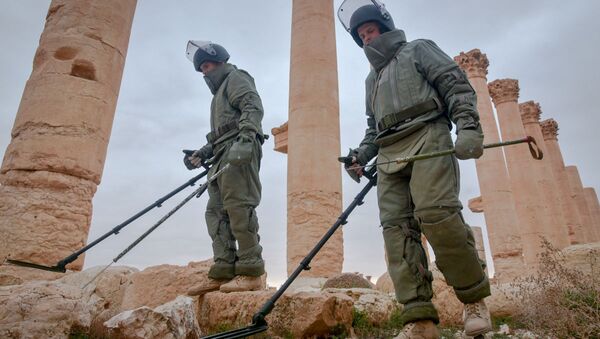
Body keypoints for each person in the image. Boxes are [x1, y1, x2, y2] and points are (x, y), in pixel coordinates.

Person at [337, 1, 492, 338]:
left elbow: (455, 85)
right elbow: (372, 127)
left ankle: (474, 301)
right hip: (390, 154)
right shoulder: (371, 79)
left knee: (438, 214)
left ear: (385, 27)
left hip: (428, 136)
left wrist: (467, 128)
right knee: (397, 230)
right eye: (361, 35)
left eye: (370, 31)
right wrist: (361, 155)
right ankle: (419, 319)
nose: (366, 39)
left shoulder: (419, 50)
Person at [183, 41, 266, 296]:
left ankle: (251, 272)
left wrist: (245, 141)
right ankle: (223, 270)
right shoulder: (217, 95)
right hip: (221, 153)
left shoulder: (235, 78)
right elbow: (221, 133)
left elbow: (252, 107)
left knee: (239, 207)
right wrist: (202, 152)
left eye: (207, 66)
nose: (205, 72)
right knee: (216, 213)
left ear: (219, 60)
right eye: (201, 69)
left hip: (239, 150)